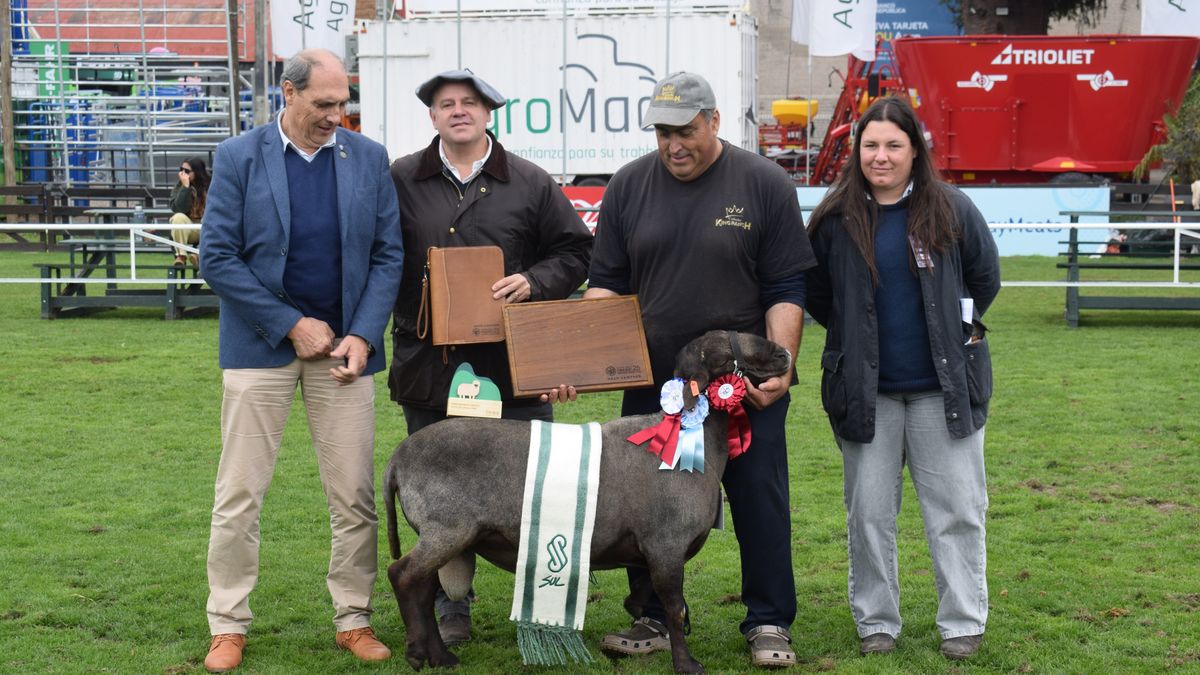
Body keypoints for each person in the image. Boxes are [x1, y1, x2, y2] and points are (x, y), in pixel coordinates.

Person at [547, 71, 816, 669]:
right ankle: (653, 614)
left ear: (714, 121)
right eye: (663, 133)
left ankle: (769, 619)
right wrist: (571, 361)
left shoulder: (764, 183)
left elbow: (785, 288)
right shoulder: (628, 186)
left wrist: (780, 370)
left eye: (686, 131)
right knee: (645, 505)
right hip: (654, 386)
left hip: (742, 388)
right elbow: (606, 286)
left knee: (760, 501)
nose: (674, 145)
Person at [197, 48, 404, 673]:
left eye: (343, 104)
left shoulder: (369, 158)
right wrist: (290, 324)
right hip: (258, 347)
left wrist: (363, 335)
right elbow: (217, 257)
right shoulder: (238, 156)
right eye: (323, 104)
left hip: (343, 354)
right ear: (287, 94)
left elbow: (387, 256)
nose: (336, 116)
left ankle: (354, 618)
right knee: (239, 494)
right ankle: (227, 623)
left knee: (354, 497)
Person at [387, 69, 593, 645]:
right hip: (429, 368)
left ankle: (542, 607)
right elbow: (378, 255)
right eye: (446, 103)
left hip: (515, 369)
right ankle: (452, 604)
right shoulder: (400, 178)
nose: (458, 111)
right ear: (432, 116)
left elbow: (577, 252)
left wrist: (534, 280)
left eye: (469, 103)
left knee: (534, 488)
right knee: (442, 491)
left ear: (488, 112)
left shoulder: (530, 180)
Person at [804, 96, 1001, 661]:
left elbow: (984, 279)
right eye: (870, 145)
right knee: (868, 515)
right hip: (867, 394)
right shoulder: (835, 218)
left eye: (894, 145)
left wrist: (951, 331)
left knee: (957, 511)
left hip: (945, 391)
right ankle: (877, 622)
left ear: (915, 150)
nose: (881, 156)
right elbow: (818, 294)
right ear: (856, 151)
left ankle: (962, 621)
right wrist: (856, 338)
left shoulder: (952, 209)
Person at [169, 156, 209, 267]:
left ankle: (199, 255)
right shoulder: (180, 186)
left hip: (208, 228)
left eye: (186, 171)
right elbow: (178, 208)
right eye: (181, 169)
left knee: (215, 221)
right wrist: (185, 187)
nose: (182, 173)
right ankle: (181, 256)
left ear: (197, 172)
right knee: (178, 217)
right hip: (190, 228)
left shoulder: (211, 185)